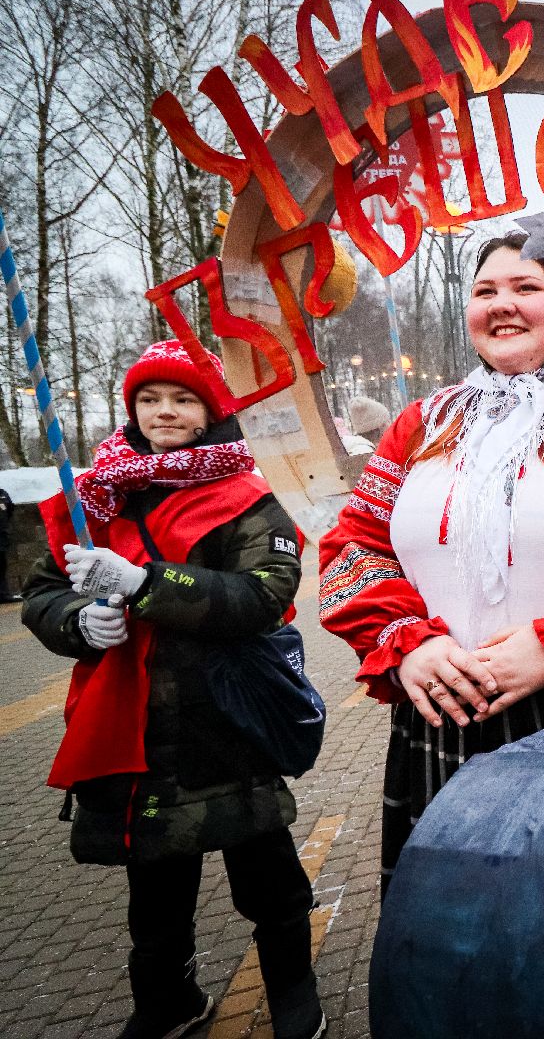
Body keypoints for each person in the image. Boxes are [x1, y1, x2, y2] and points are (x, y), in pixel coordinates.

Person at [318, 229, 544, 894]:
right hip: (437, 720)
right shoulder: (420, 424)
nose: (502, 304)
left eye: (527, 287)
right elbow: (353, 547)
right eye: (485, 291)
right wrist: (408, 646)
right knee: (446, 928)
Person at [22, 340, 323, 1039]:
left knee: (269, 881)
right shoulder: (95, 492)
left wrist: (143, 585)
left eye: (183, 399)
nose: (165, 412)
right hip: (130, 729)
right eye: (149, 399)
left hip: (226, 725)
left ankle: (293, 993)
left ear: (210, 410)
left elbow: (263, 595)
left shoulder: (250, 496)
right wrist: (77, 621)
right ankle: (168, 1002)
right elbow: (43, 589)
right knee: (154, 893)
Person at [0, 486, 18, 602]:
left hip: (2, 538)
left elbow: (10, 509)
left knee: (2, 567)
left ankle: (3, 594)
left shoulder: (2, 493)